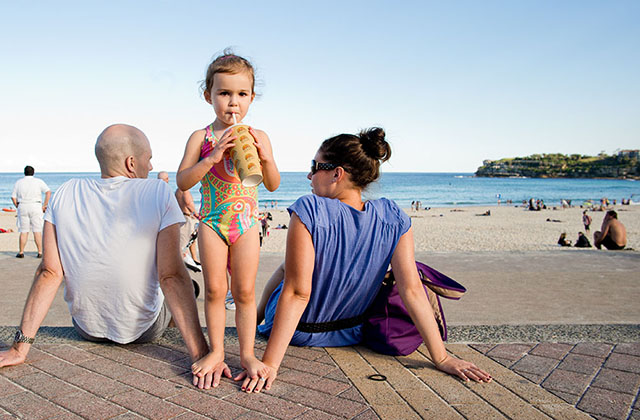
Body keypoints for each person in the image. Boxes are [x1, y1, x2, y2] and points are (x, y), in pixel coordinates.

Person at [244, 127, 490, 393]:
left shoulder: (309, 209)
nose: (309, 175)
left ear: (337, 173)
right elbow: (412, 290)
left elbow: (297, 292)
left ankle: (257, 317)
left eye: (315, 167)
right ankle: (259, 317)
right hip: (352, 332)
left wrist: (270, 363)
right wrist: (441, 357)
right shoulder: (393, 215)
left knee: (288, 269)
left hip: (299, 331)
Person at [0, 124, 220, 389]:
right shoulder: (158, 192)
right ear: (131, 163)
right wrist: (201, 354)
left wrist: (20, 348)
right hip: (143, 330)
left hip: (86, 327)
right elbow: (170, 276)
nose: (150, 167)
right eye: (148, 159)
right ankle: (175, 333)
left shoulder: (66, 192)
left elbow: (49, 272)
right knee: (188, 284)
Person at [176, 51, 280, 386]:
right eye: (224, 93)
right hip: (212, 222)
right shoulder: (201, 137)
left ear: (251, 97)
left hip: (247, 223)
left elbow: (274, 184)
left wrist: (265, 159)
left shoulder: (259, 136)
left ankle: (248, 353)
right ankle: (217, 350)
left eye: (241, 94)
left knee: (245, 291)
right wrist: (213, 156)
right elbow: (183, 180)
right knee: (215, 289)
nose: (232, 102)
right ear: (208, 96)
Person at [11, 166, 51, 258]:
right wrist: (44, 205)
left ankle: (21, 252)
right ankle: (40, 252)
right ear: (33, 172)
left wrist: (17, 205)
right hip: (36, 206)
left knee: (24, 231)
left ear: (24, 172)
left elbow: (13, 197)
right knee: (37, 230)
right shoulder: (38, 181)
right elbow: (48, 192)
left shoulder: (19, 182)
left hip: (23, 206)